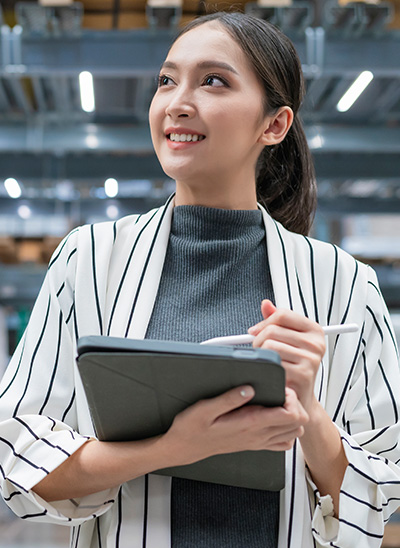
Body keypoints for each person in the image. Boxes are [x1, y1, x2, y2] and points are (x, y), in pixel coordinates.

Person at [0, 11, 400, 548]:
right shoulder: (88, 261)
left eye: (213, 81)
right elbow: (15, 456)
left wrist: (311, 419)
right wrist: (175, 447)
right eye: (167, 80)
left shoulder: (345, 286)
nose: (176, 102)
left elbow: (384, 495)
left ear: (273, 125)